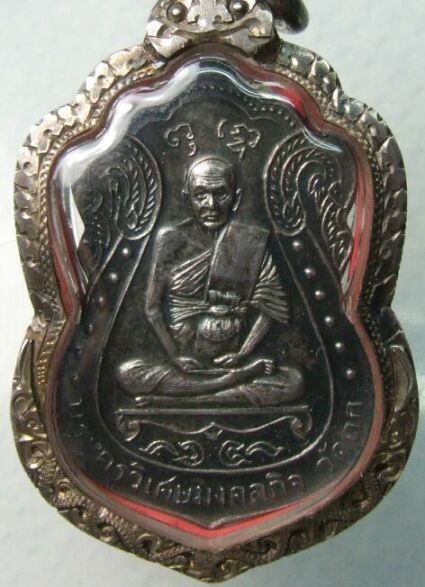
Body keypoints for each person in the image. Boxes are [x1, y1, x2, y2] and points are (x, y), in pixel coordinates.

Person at [117, 157, 304, 407]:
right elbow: (152, 307)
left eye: (220, 194)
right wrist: (175, 356)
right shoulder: (170, 239)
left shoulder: (250, 241)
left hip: (233, 360)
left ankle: (186, 398)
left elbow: (271, 308)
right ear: (187, 199)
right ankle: (231, 384)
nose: (211, 205)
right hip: (183, 363)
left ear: (236, 198)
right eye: (201, 195)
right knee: (128, 373)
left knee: (295, 381)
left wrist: (242, 355)